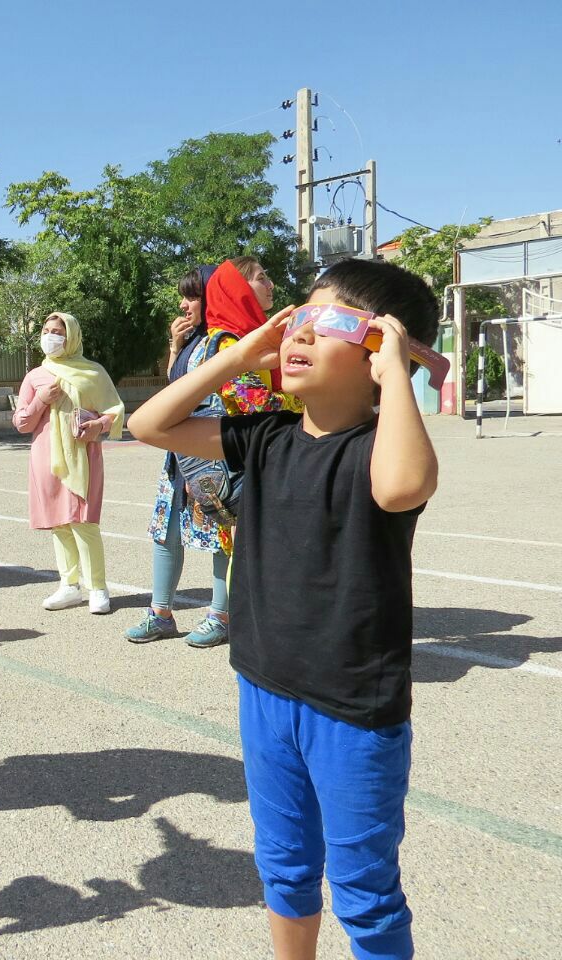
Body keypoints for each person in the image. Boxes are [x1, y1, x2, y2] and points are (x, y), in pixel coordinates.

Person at [128, 258, 441, 960]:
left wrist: (397, 380)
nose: (297, 332)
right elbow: (149, 424)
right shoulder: (264, 434)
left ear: (378, 351)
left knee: (365, 889)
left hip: (354, 710)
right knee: (284, 867)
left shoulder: (381, 448)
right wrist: (238, 354)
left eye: (327, 322)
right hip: (264, 687)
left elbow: (403, 487)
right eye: (296, 316)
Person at [126, 256, 296, 647]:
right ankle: (162, 612)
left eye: (192, 297)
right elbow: (176, 393)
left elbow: (245, 401)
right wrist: (174, 347)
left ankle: (220, 613)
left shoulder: (232, 340)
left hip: (218, 451)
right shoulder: (211, 343)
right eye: (260, 278)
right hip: (193, 454)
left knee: (224, 532)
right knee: (169, 533)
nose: (184, 306)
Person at [13, 311, 124, 615]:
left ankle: (98, 588)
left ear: (71, 336)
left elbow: (115, 409)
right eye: (47, 330)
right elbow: (21, 422)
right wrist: (41, 400)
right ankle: (69, 585)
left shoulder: (93, 372)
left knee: (84, 523)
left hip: (82, 456)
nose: (50, 337)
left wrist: (99, 425)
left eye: (58, 332)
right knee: (59, 524)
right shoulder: (36, 375)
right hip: (45, 457)